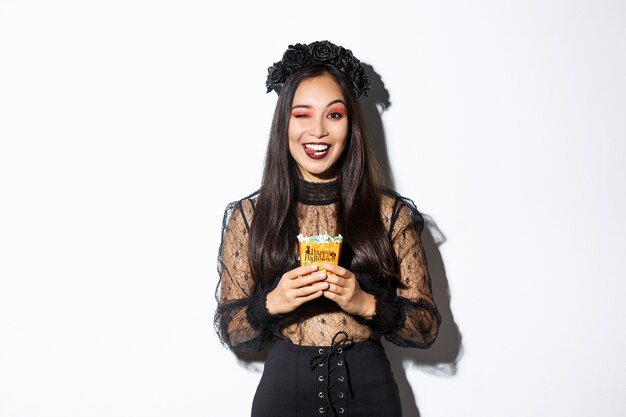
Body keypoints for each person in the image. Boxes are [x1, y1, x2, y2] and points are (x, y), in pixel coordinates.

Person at [214, 40, 441, 417]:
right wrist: (272, 303)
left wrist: (366, 303)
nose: (317, 131)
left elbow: (427, 326)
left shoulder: (389, 214)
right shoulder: (251, 215)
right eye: (302, 115)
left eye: (333, 115)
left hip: (371, 395)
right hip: (283, 394)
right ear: (283, 123)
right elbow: (230, 328)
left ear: (351, 125)